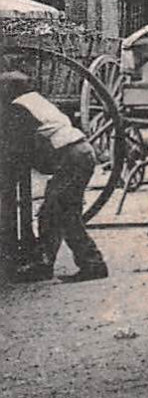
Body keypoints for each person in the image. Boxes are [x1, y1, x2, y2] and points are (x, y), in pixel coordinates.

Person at [1, 72, 109, 283]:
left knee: (54, 212)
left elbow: (19, 142)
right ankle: (69, 263)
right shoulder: (37, 101)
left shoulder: (18, 107)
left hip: (71, 156)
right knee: (65, 212)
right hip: (81, 152)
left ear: (9, 90)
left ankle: (82, 263)